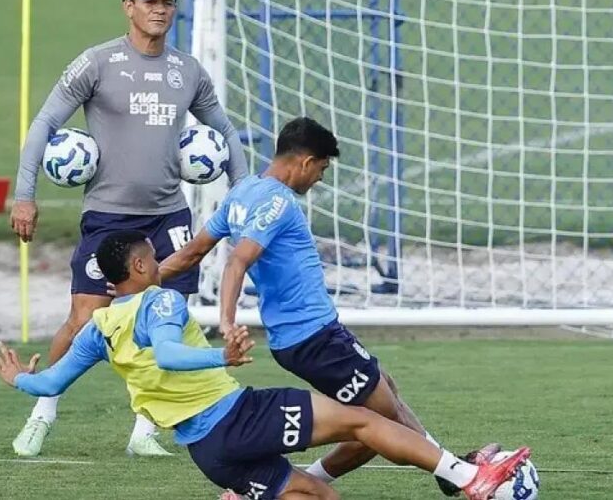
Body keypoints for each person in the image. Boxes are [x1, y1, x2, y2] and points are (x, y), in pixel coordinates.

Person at [0, 230, 531, 500]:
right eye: (152, 255)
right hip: (239, 417)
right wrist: (217, 354)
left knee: (317, 494)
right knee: (366, 418)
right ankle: (470, 479)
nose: (160, 259)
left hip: (210, 455)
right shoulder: (163, 301)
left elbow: (51, 381)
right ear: (137, 265)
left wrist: (20, 379)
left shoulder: (98, 328)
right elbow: (167, 353)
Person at [159, 117, 487, 496]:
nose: (320, 179)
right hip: (314, 337)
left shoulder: (241, 192)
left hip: (307, 335)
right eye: (322, 168)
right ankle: (464, 476)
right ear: (305, 162)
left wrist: (139, 284)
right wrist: (227, 322)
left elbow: (191, 254)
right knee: (382, 420)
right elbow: (236, 262)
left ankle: (448, 470)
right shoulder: (278, 201)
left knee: (386, 392)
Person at [8, 0, 249, 457]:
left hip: (168, 218)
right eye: (150, 0)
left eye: (167, 1)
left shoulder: (189, 71)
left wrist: (245, 194)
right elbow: (44, 125)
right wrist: (24, 194)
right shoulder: (97, 63)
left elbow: (224, 131)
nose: (160, 8)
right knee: (83, 320)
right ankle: (42, 413)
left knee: (170, 322)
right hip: (108, 218)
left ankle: (145, 431)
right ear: (128, 6)